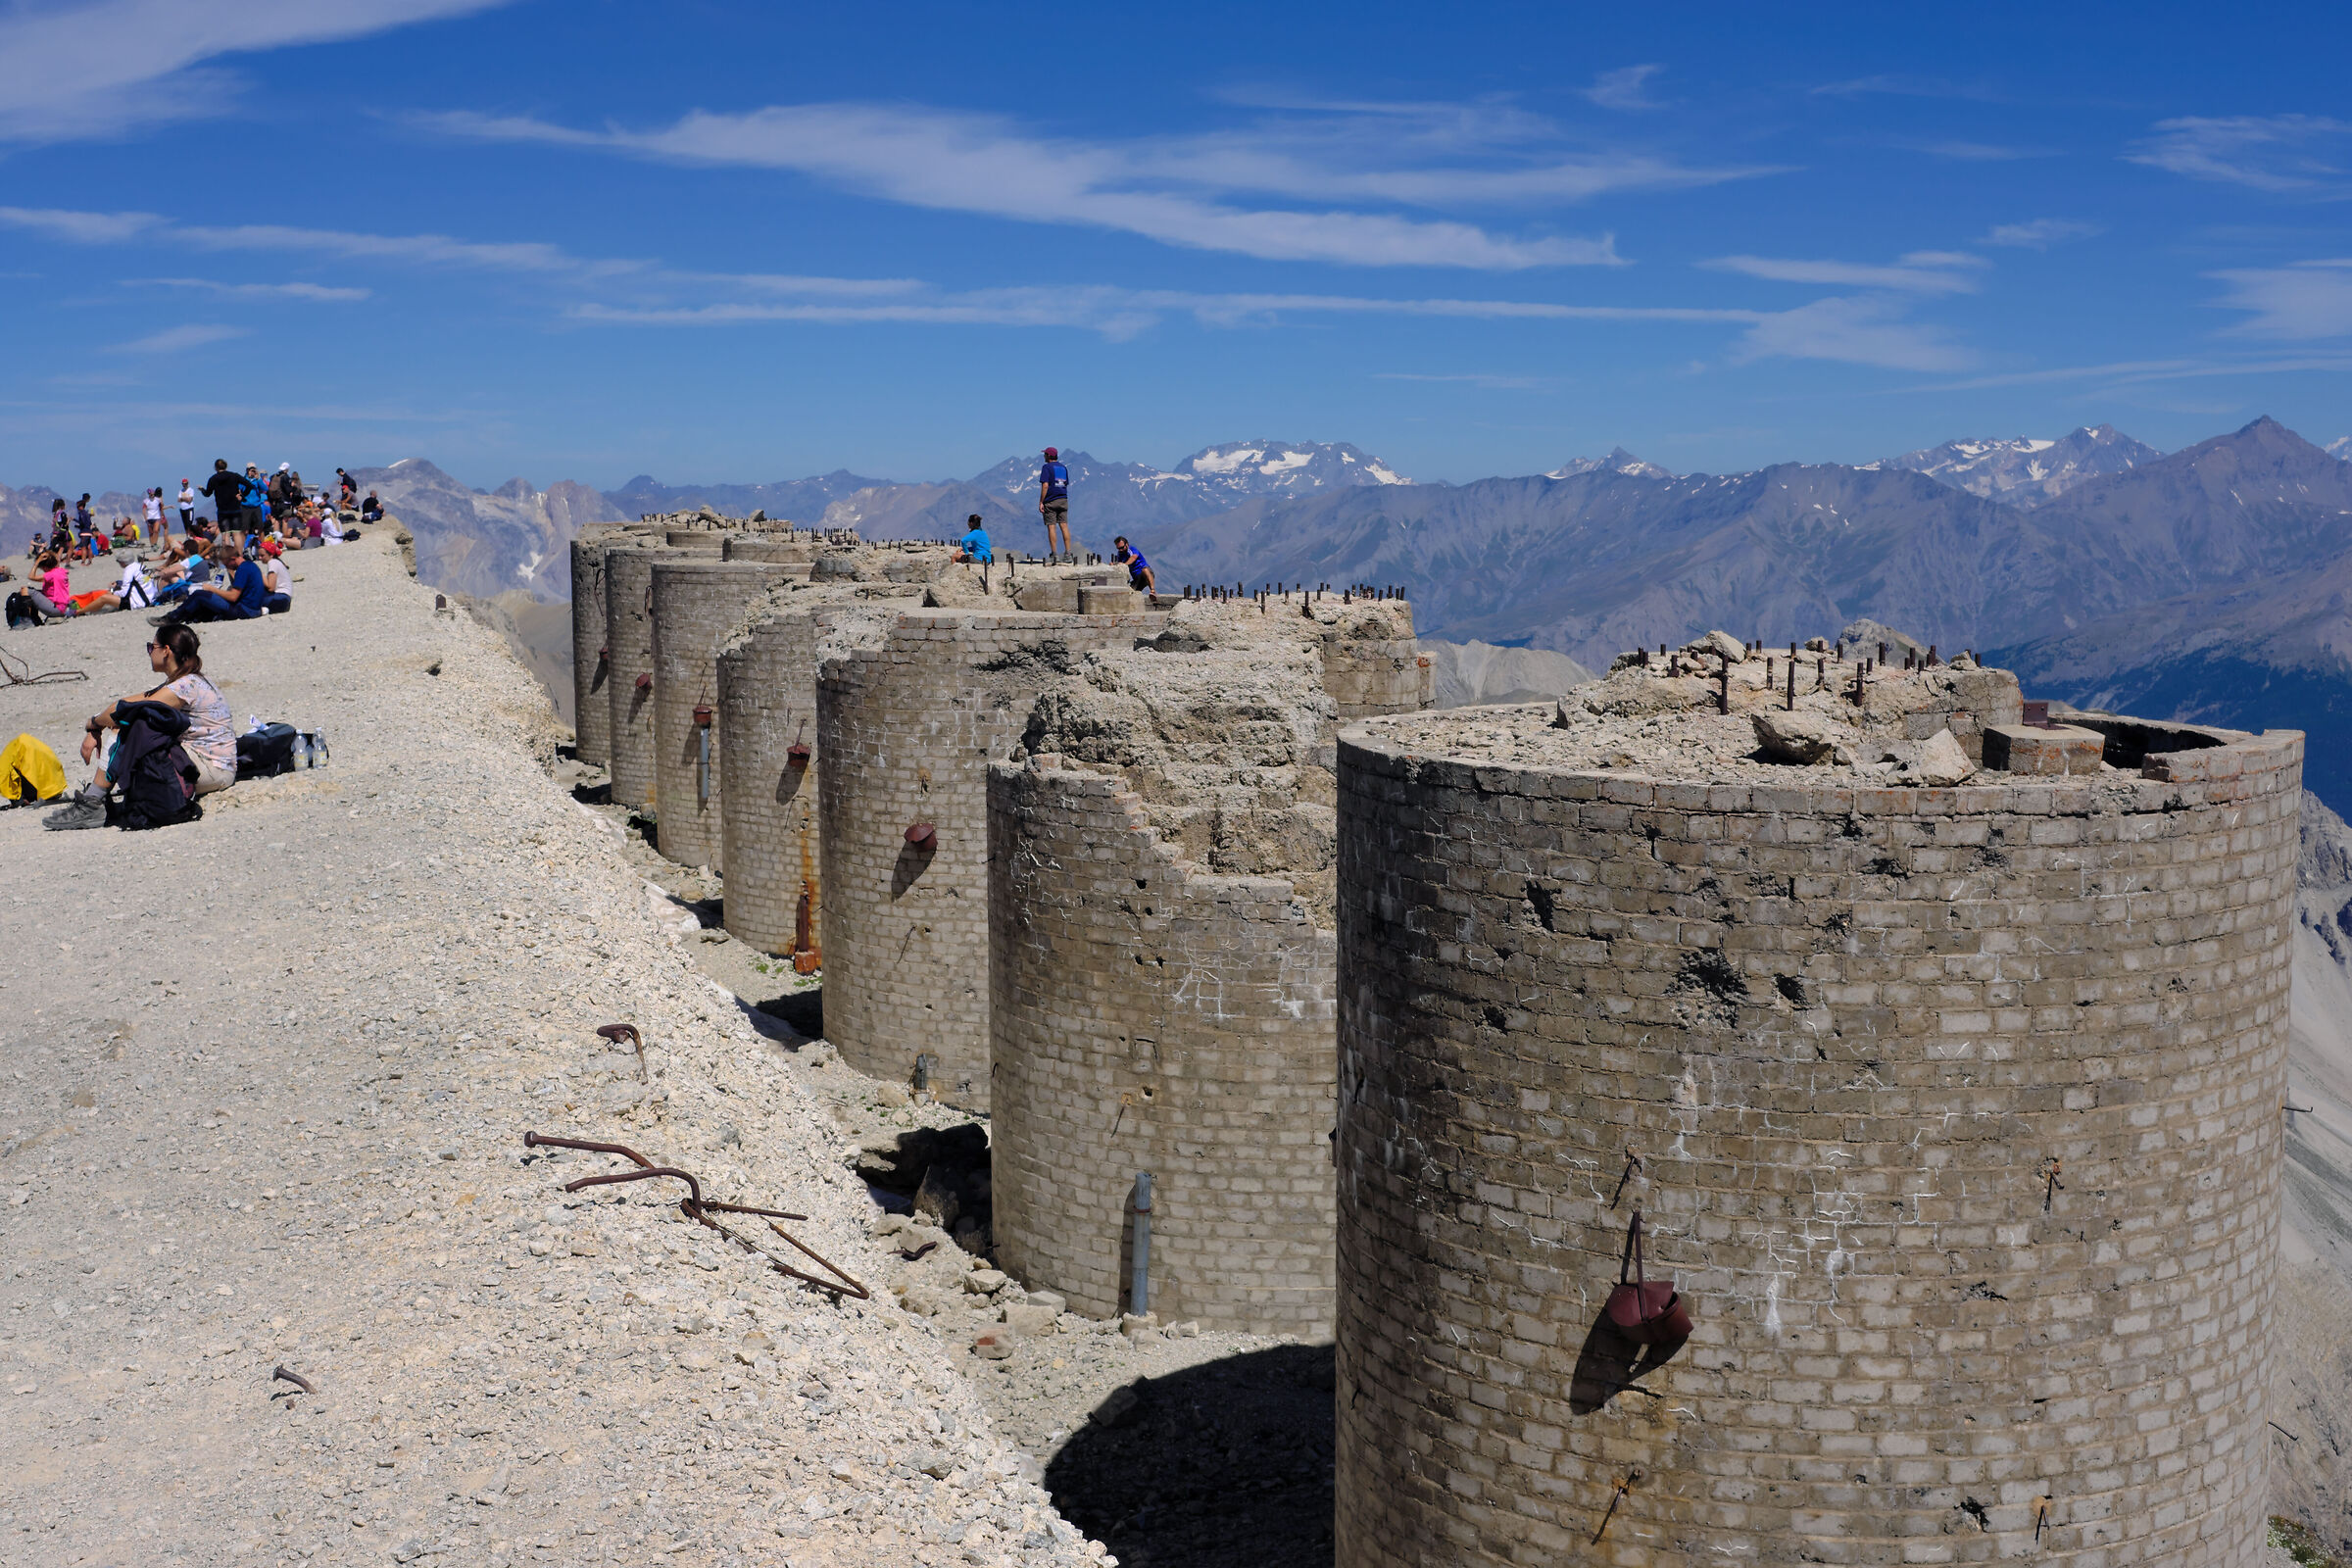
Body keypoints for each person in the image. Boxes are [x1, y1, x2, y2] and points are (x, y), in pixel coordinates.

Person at [44, 622, 235, 828]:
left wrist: (94, 724)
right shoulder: (187, 681)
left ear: (166, 651)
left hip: (212, 770)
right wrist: (95, 726)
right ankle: (96, 799)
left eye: (151, 647)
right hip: (217, 766)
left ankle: (92, 803)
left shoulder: (184, 687)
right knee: (134, 722)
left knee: (127, 726)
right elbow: (124, 704)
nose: (149, 652)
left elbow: (122, 712)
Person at [155, 539, 265, 623]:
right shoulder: (250, 565)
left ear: (232, 559)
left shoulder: (242, 569)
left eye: (227, 564)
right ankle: (185, 617)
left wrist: (211, 589)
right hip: (253, 609)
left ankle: (171, 618)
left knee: (199, 594)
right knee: (206, 601)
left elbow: (233, 597)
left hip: (244, 610)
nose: (227, 567)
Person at [1037, 446, 1071, 564]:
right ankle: (1068, 554)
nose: (1044, 456)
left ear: (1049, 456)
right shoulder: (1063, 468)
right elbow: (1065, 483)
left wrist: (1041, 501)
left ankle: (1054, 555)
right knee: (1064, 526)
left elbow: (1045, 485)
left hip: (1051, 501)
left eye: (1045, 454)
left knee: (1051, 527)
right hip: (1063, 499)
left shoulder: (1046, 467)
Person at [200, 459, 241, 529]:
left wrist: (202, 490)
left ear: (216, 468)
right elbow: (249, 485)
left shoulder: (213, 479)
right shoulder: (234, 476)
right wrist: (241, 495)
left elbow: (207, 494)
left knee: (225, 532)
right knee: (236, 532)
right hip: (235, 508)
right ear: (226, 466)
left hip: (222, 509)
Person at [258, 548, 294, 612]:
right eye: (259, 555)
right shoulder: (277, 562)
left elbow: (271, 587)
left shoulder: (272, 562)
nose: (259, 558)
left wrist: (260, 573)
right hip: (285, 598)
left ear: (271, 555)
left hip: (280, 598)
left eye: (262, 555)